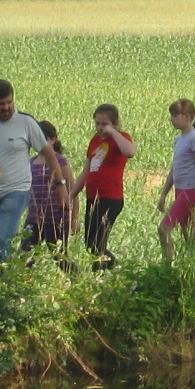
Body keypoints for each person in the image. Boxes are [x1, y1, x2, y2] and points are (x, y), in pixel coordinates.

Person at [0, 79, 65, 260]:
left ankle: (3, 283)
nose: (6, 107)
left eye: (9, 102)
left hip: (17, 190)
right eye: (0, 104)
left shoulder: (25, 123)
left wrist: (60, 184)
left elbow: (49, 153)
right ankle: (2, 280)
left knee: (0, 239)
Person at [75, 104, 136, 270]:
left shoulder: (122, 138)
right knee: (90, 244)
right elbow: (86, 171)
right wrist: (71, 194)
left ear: (115, 123)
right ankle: (108, 267)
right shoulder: (94, 141)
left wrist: (114, 133)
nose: (100, 128)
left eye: (104, 124)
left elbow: (130, 152)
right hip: (93, 197)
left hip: (110, 197)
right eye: (97, 124)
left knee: (98, 244)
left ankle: (103, 274)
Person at [155, 98, 195, 260]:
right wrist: (164, 193)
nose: (171, 119)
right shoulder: (179, 140)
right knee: (188, 233)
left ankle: (167, 267)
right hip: (181, 189)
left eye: (174, 115)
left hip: (191, 189)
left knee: (164, 228)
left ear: (186, 116)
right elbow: (175, 169)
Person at [22, 118, 76, 257]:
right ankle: (26, 279)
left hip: (56, 218)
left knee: (59, 256)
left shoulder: (60, 161)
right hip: (34, 219)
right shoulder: (31, 162)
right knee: (25, 256)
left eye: (43, 139)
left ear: (53, 139)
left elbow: (72, 190)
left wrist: (74, 217)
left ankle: (77, 278)